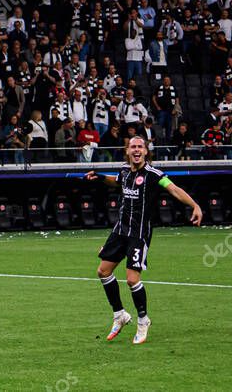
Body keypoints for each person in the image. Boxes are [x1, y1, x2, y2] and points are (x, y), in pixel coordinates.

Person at [85, 136, 203, 345]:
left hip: (138, 234)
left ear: (146, 152)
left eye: (141, 147)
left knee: (132, 279)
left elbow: (174, 189)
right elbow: (116, 181)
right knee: (103, 271)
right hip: (120, 231)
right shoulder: (123, 171)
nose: (137, 150)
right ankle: (120, 315)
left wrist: (195, 205)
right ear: (127, 151)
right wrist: (101, 177)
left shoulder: (153, 175)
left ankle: (143, 320)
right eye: (133, 147)